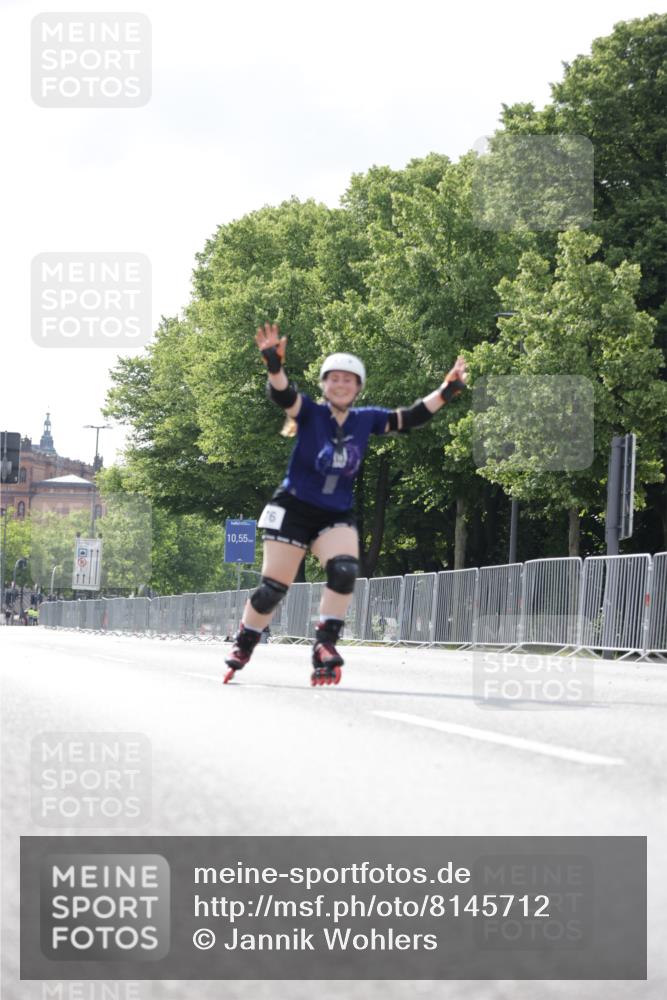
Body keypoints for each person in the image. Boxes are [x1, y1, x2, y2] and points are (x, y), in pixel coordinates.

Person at [223, 322, 467, 686]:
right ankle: (245, 641)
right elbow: (283, 394)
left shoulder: (365, 420)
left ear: (358, 388)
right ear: (324, 384)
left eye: (348, 380)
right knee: (273, 588)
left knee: (344, 570)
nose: (341, 384)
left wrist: (446, 391)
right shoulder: (310, 413)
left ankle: (325, 644)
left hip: (333, 513)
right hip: (293, 509)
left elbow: (412, 416)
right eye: (334, 379)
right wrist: (274, 364)